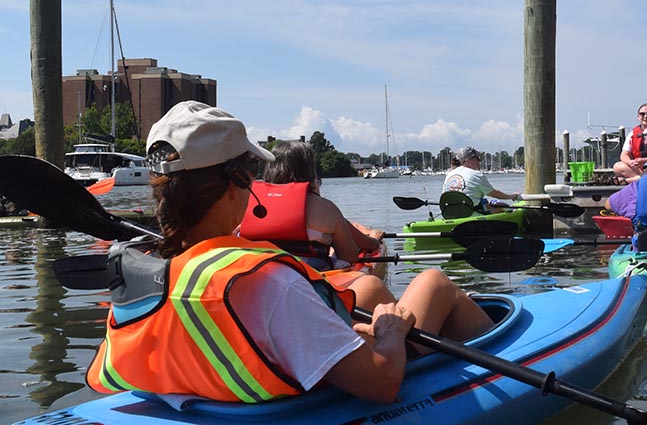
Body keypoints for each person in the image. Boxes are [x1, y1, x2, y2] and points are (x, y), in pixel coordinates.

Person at [86, 101, 492, 404]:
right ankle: (502, 361)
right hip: (279, 401)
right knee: (433, 281)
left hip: (214, 399)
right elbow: (381, 384)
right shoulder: (270, 284)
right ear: (236, 183)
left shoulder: (141, 272)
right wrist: (388, 332)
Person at [239, 140, 384, 272]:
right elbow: (350, 256)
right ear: (310, 170)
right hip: (310, 276)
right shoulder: (324, 208)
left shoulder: (245, 202)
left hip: (257, 273)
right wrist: (373, 240)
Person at [443, 146, 519, 213]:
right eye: (477, 158)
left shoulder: (449, 174)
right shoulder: (476, 174)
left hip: (449, 213)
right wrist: (511, 196)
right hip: (471, 214)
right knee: (499, 205)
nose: (480, 161)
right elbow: (494, 193)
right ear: (468, 161)